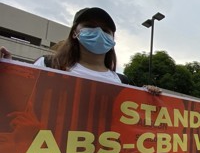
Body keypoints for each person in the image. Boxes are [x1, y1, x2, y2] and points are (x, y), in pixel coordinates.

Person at [1, 8, 160, 94]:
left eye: (105, 30)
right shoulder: (48, 65)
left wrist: (150, 98)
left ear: (112, 40)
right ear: (75, 33)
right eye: (90, 26)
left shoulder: (122, 81)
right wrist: (8, 71)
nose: (98, 32)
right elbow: (17, 101)